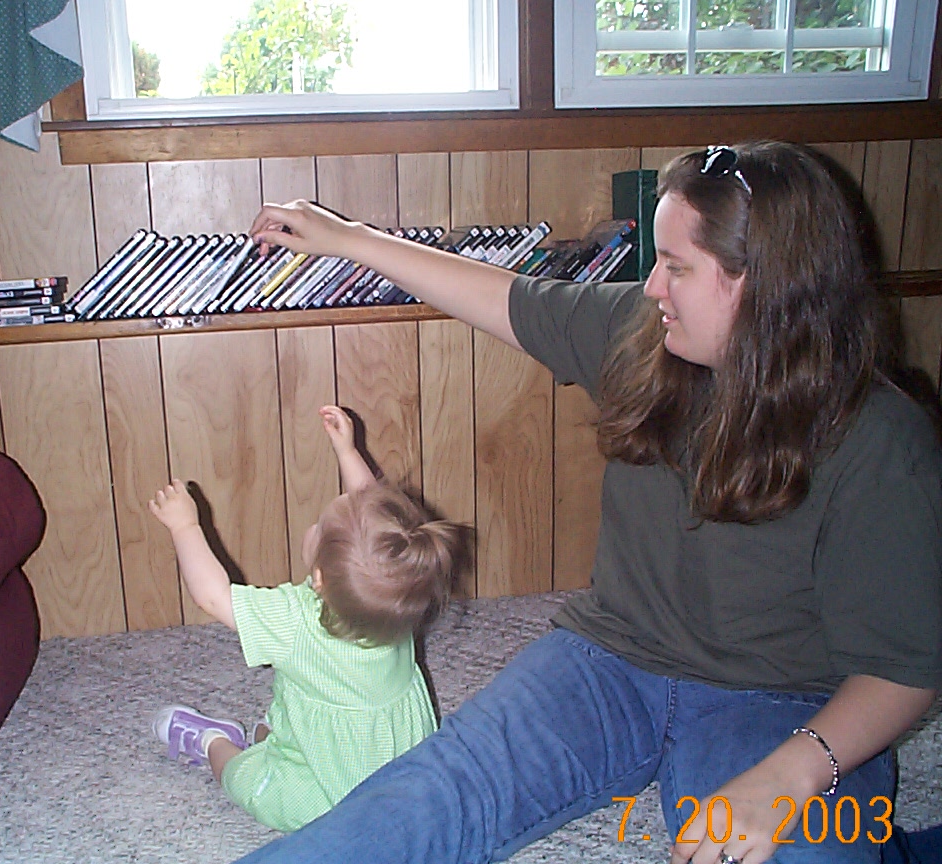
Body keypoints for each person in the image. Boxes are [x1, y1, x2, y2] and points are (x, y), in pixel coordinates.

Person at [237, 141, 942, 863]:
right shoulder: (643, 337)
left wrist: (789, 774)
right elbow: (506, 299)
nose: (652, 287)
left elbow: (906, 671)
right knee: (430, 796)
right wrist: (347, 238)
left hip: (784, 701)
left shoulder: (881, 441)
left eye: (676, 267)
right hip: (610, 661)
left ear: (766, 283)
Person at [147, 404, 468, 832]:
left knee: (251, 785)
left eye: (319, 526)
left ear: (318, 578)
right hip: (400, 770)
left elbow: (213, 596)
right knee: (290, 736)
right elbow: (374, 518)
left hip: (331, 789)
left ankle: (215, 742)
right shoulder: (398, 596)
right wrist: (347, 451)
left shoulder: (296, 620)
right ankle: (274, 737)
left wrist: (185, 527)